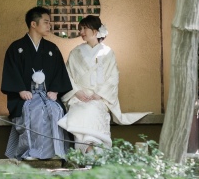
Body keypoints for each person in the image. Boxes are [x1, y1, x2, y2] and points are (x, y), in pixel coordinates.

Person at [58, 15, 150, 152]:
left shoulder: (108, 53)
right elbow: (67, 75)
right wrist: (77, 92)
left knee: (92, 110)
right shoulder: (75, 52)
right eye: (80, 29)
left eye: (84, 28)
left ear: (95, 31)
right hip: (78, 98)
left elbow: (113, 77)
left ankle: (89, 151)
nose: (81, 32)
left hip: (99, 98)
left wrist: (99, 94)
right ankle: (92, 152)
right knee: (83, 110)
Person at [1, 6, 73, 160]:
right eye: (46, 22)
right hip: (25, 96)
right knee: (35, 111)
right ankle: (31, 152)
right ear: (33, 24)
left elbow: (60, 72)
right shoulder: (16, 48)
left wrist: (55, 90)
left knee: (55, 111)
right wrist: (20, 90)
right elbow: (11, 71)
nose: (49, 26)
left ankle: (56, 153)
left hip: (47, 94)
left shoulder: (51, 49)